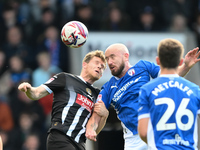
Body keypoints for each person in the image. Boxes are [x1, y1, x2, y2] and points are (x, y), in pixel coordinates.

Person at [85, 43, 200, 150]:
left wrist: (186, 65)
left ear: (126, 56)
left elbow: (169, 76)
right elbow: (97, 113)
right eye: (107, 59)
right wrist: (91, 128)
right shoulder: (108, 88)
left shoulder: (143, 66)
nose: (109, 62)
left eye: (112, 57)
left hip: (156, 129)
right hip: (133, 139)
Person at [18, 50, 108, 150]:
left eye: (103, 67)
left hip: (80, 144)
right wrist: (29, 90)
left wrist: (105, 115)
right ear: (84, 64)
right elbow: (37, 93)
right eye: (96, 63)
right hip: (60, 138)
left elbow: (93, 132)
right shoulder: (65, 78)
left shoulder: (97, 94)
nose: (100, 67)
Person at [138, 38, 200, 149]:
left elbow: (143, 132)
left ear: (157, 61)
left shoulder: (147, 89)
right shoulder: (195, 90)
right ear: (181, 61)